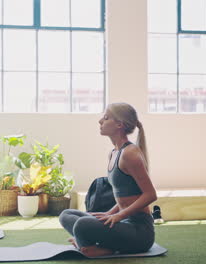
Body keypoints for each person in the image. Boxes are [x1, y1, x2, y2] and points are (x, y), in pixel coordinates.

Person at [59, 102, 157, 257]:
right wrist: (108, 213)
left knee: (83, 225)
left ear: (119, 124)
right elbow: (125, 197)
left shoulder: (130, 154)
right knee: (67, 215)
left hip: (139, 232)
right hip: (121, 224)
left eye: (105, 118)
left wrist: (118, 216)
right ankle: (89, 245)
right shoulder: (113, 153)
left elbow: (150, 195)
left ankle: (95, 247)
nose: (100, 121)